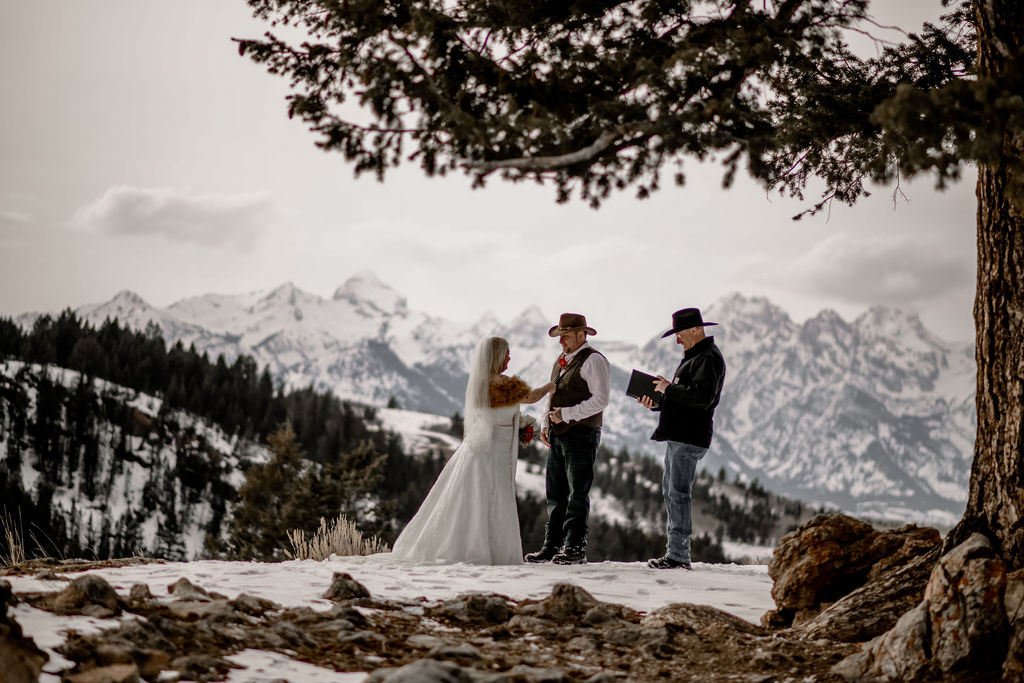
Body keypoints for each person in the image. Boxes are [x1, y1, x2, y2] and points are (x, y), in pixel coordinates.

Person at [391, 337, 554, 564]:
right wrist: (552, 385)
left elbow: (498, 415)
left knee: (471, 499)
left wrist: (521, 423)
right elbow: (533, 397)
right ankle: (485, 551)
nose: (509, 358)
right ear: (496, 356)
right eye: (506, 354)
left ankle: (471, 546)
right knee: (490, 499)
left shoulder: (482, 384)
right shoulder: (504, 384)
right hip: (494, 453)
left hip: (481, 450)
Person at [637, 307, 726, 570]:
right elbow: (684, 398)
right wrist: (656, 401)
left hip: (689, 436)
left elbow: (701, 398)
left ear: (696, 330)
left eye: (679, 333)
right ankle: (676, 553)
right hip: (681, 436)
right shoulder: (696, 357)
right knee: (672, 492)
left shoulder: (708, 358)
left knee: (678, 493)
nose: (677, 339)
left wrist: (669, 388)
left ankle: (678, 556)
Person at [525, 313, 611, 565]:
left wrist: (567, 415)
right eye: (559, 336)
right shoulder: (561, 361)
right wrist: (546, 422)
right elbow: (552, 395)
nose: (561, 341)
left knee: (577, 492)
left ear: (581, 335)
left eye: (565, 336)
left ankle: (574, 547)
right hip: (559, 433)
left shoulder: (594, 360)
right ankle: (552, 546)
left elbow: (601, 400)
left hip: (582, 433)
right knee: (555, 492)